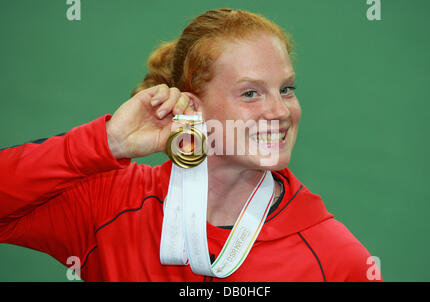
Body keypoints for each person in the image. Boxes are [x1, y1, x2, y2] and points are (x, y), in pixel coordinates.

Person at [0, 8, 382, 282]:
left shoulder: (338, 260)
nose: (280, 111)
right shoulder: (109, 207)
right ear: (193, 108)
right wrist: (108, 142)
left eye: (286, 89)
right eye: (250, 93)